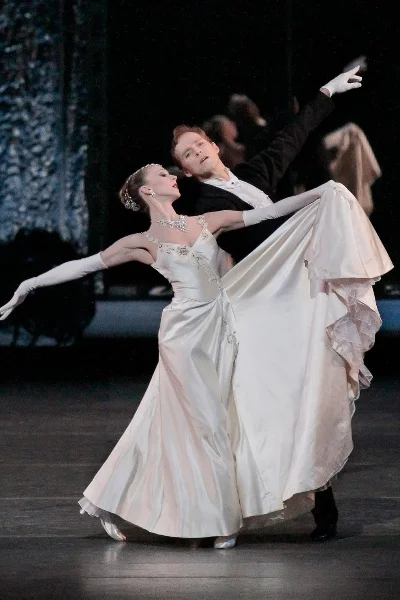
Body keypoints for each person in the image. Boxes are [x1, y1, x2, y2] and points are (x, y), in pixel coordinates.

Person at [1, 164, 392, 549]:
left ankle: (111, 500)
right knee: (208, 424)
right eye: (162, 175)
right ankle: (222, 521)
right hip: (185, 334)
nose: (172, 176)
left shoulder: (207, 222)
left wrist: (320, 192)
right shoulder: (141, 241)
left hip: (224, 325)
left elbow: (270, 212)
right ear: (147, 191)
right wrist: (29, 284)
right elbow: (85, 265)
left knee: (200, 418)